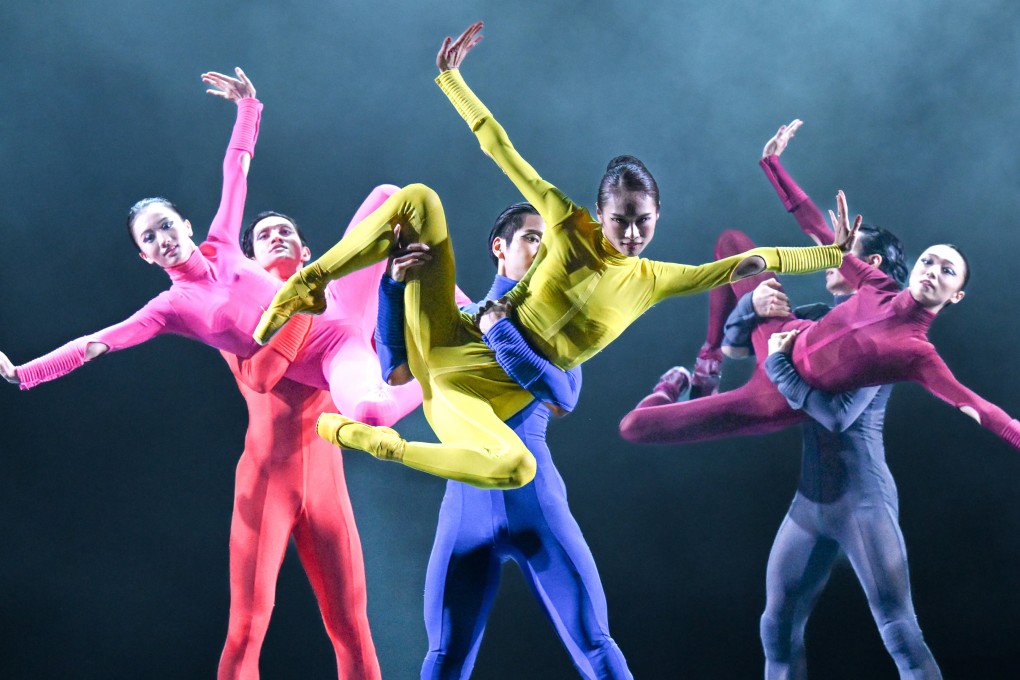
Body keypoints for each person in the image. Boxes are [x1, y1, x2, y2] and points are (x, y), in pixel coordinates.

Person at [252, 21, 846, 490]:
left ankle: (382, 445)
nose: (632, 233)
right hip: (452, 339)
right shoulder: (564, 221)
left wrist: (831, 254)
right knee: (416, 200)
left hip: (471, 396)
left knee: (517, 468)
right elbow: (501, 150)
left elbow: (754, 261)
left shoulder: (657, 278)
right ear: (599, 211)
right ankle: (311, 279)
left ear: (658, 218)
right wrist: (453, 82)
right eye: (620, 220)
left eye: (643, 222)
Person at [0, 69, 420, 432]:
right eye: (149, 238)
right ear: (146, 257)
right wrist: (24, 375)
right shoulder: (169, 309)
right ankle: (433, 370)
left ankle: (463, 313)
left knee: (391, 198)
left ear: (185, 226)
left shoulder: (221, 242)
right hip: (330, 353)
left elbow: (236, 170)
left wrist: (248, 107)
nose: (162, 238)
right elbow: (95, 344)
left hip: (340, 299)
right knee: (370, 413)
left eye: (166, 225)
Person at [618, 131, 1020, 452]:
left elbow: (980, 408)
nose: (932, 270)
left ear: (955, 295)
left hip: (773, 395)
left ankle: (670, 387)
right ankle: (707, 363)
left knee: (636, 426)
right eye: (929, 260)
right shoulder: (878, 285)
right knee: (735, 246)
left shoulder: (917, 355)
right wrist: (772, 163)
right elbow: (817, 230)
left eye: (946, 271)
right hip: (781, 333)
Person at [375, 203, 631, 678]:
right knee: (444, 656)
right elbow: (394, 370)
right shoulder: (459, 323)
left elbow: (563, 396)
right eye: (534, 238)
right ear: (500, 247)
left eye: (551, 245)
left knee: (595, 644)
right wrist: (390, 287)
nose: (544, 251)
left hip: (536, 504)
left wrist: (502, 330)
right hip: (465, 511)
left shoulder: (557, 330)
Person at [217, 211, 383, 680]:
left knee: (352, 627)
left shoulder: (342, 308)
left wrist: (394, 284)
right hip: (266, 484)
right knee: (246, 629)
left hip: (328, 489)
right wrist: (305, 305)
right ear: (249, 258)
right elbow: (263, 378)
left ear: (307, 252)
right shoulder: (235, 309)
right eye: (264, 235)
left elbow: (385, 363)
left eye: (286, 230)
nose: (276, 237)